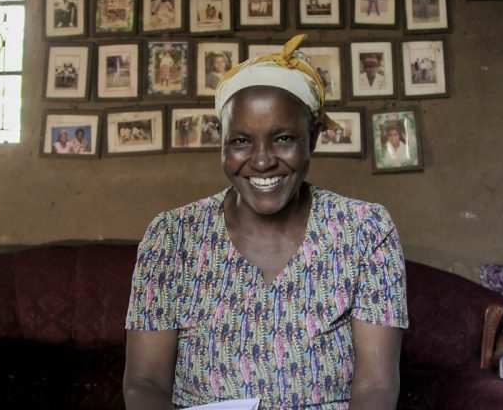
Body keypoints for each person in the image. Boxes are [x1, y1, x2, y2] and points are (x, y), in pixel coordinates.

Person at [124, 34, 408, 409]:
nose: (261, 161)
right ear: (221, 143)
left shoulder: (365, 231)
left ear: (315, 137)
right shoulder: (172, 238)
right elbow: (144, 383)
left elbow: (376, 386)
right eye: (241, 141)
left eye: (284, 138)